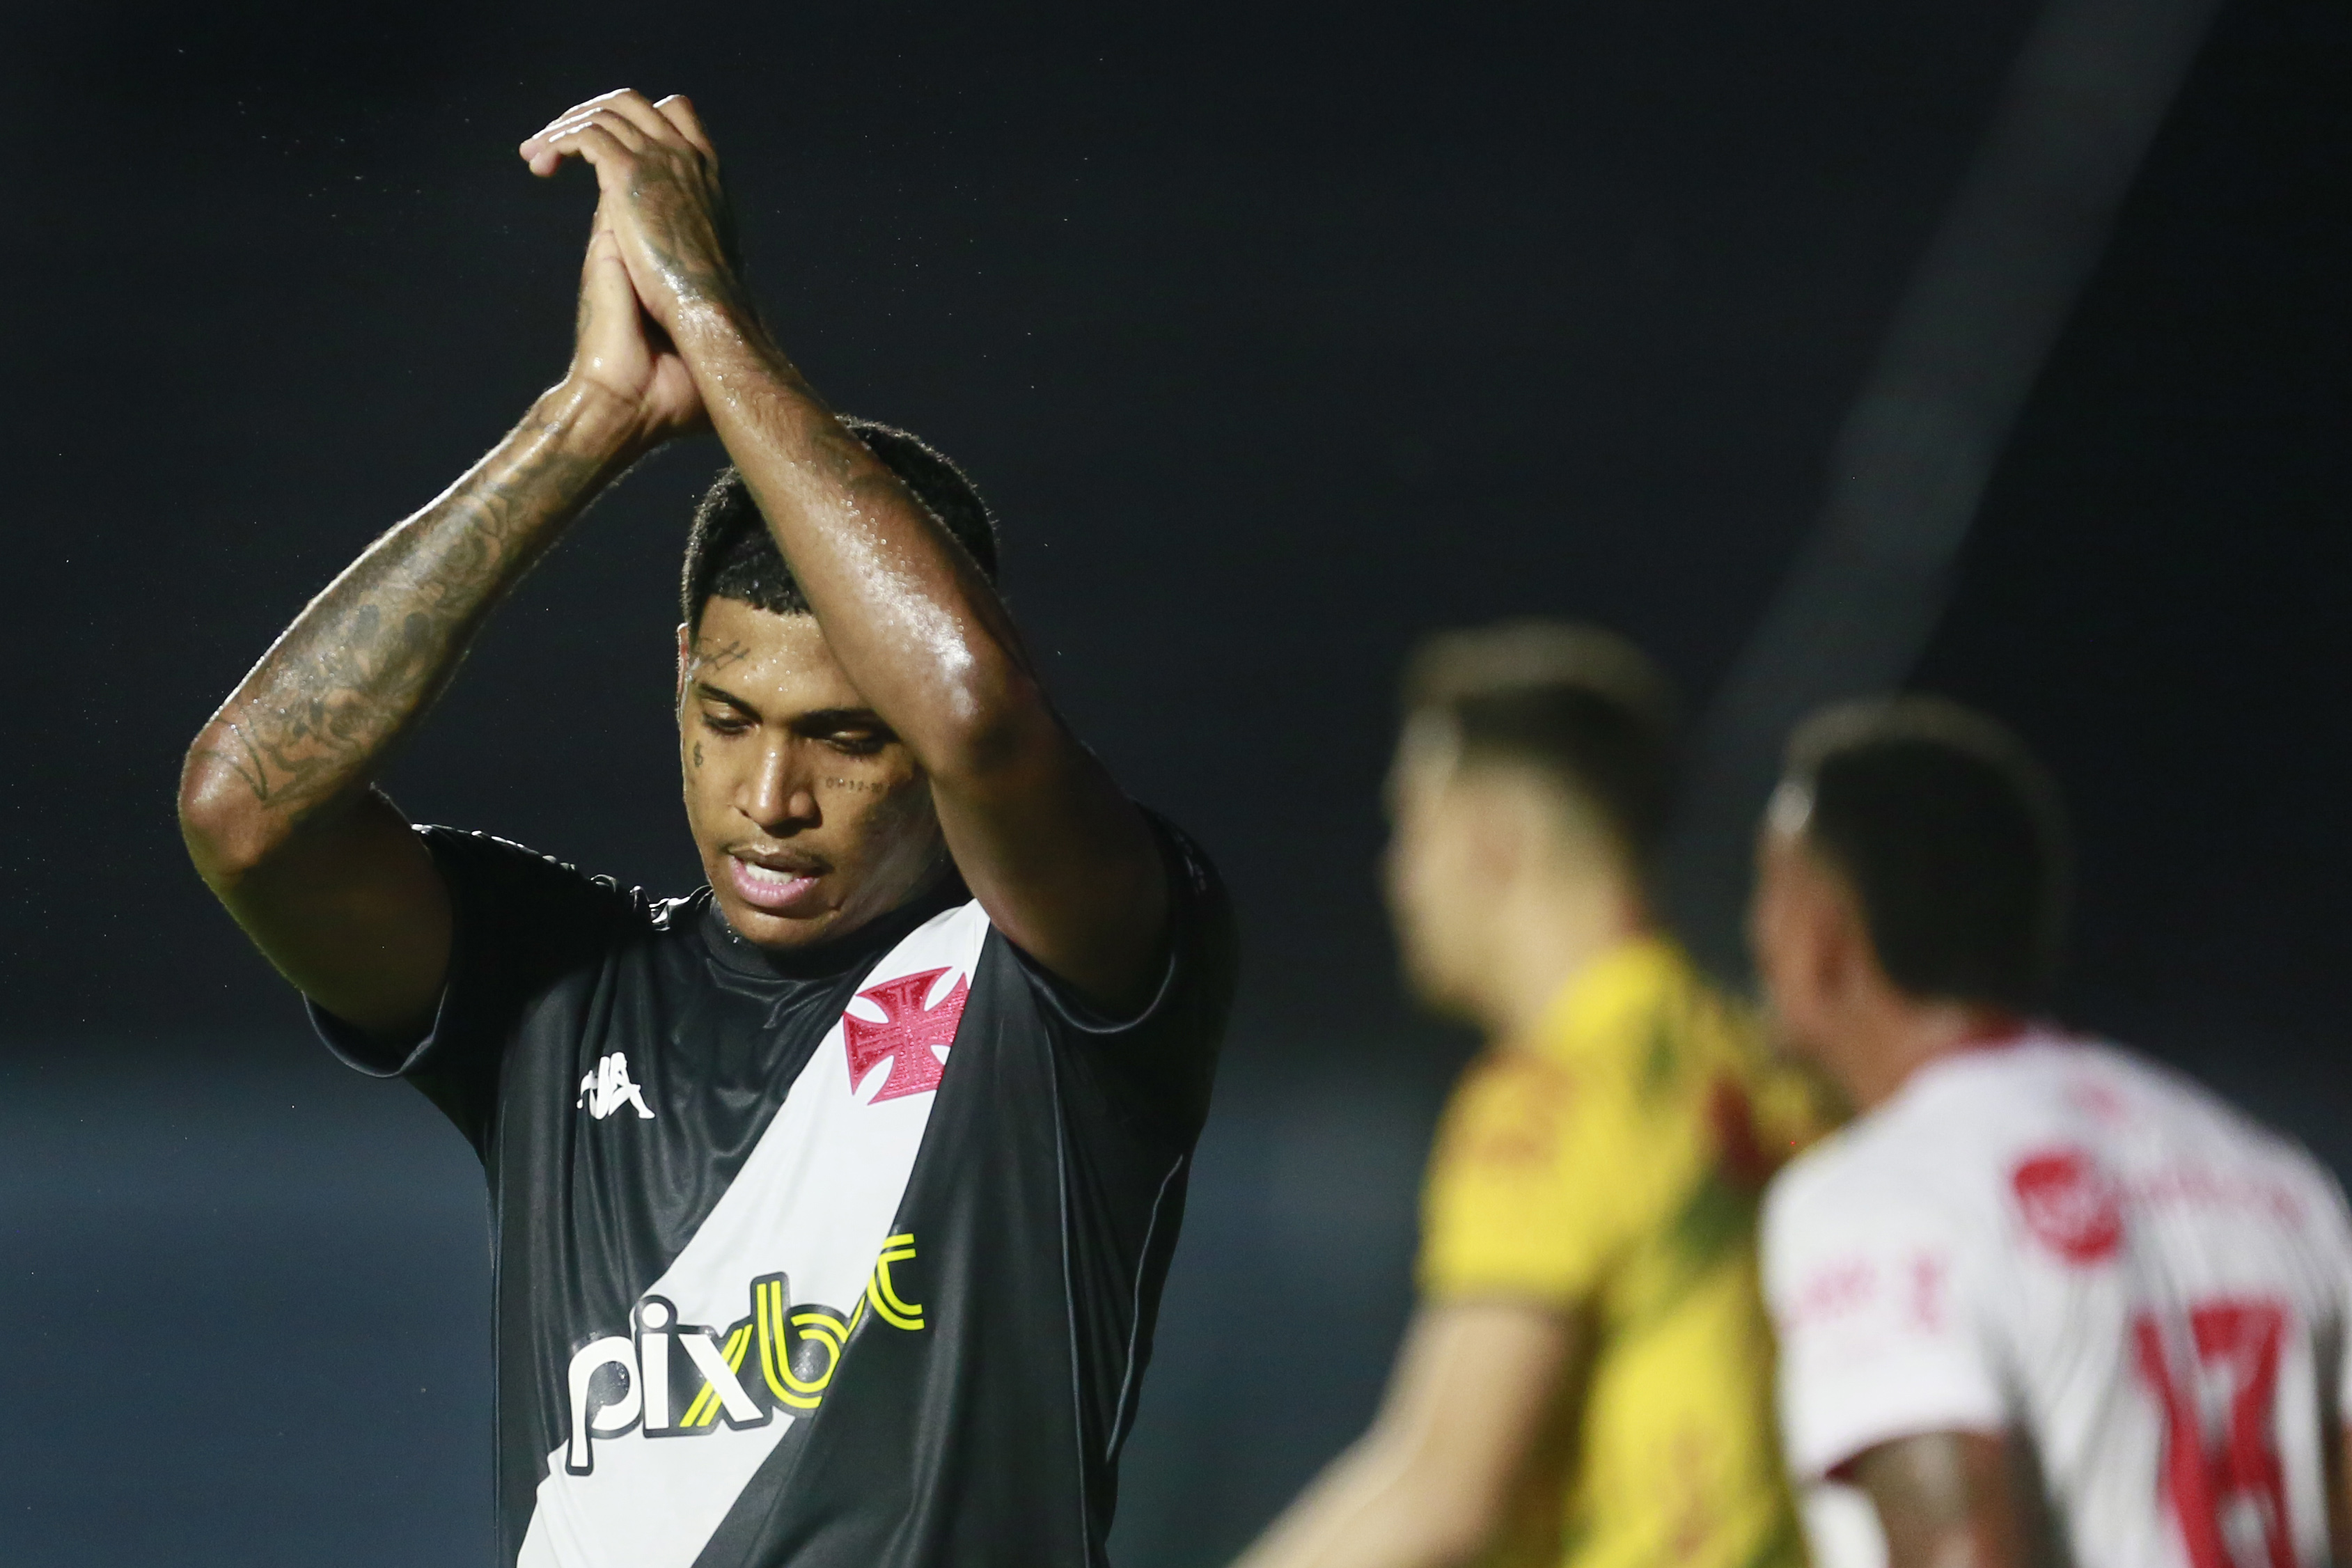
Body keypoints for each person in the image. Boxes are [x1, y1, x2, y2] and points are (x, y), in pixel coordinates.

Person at [176, 89, 1234, 1568]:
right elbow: (246, 810)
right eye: (729, 718)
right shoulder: (561, 989)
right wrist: (589, 418)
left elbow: (981, 717)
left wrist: (709, 311)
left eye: (848, 738)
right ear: (678, 677)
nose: (770, 798)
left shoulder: (1066, 977)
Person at [1232, 621, 1828, 1568]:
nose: (1399, 875)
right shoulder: (1775, 1071)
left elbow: (1442, 1491)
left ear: (1493, 839)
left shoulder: (1553, 1094)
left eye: (1412, 826)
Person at [1750, 696, 2352, 1568]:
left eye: (1770, 890)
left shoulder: (1880, 1195)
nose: (1754, 930)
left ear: (1824, 932)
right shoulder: (2277, 1180)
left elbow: (1957, 1553)